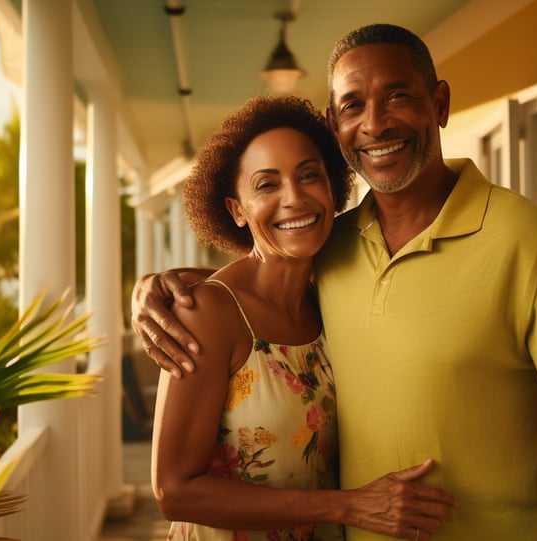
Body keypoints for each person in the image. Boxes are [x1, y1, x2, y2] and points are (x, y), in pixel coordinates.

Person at [133, 25, 537, 541]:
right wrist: (166, 287)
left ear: (440, 104)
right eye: (353, 106)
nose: (375, 123)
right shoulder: (334, 246)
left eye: (397, 96)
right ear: (335, 125)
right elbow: (261, 281)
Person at [148, 94, 456, 541]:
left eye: (309, 175)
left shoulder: (330, 295)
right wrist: (350, 505)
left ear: (333, 188)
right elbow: (174, 492)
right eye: (267, 185)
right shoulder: (207, 315)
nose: (294, 198)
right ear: (237, 210)